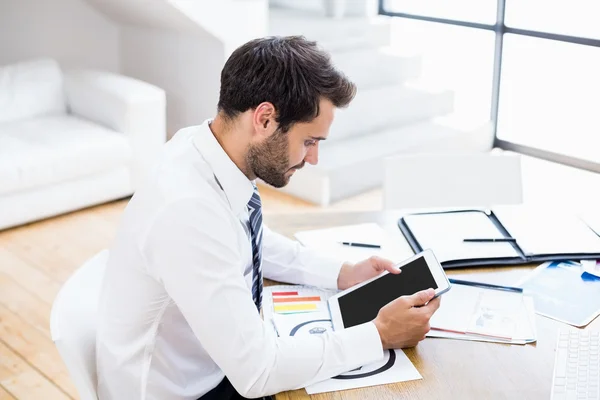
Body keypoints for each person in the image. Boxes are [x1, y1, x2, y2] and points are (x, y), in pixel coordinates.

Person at [96, 35, 441, 400]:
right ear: (264, 118)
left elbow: (245, 238)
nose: (313, 159)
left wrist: (342, 273)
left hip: (211, 368)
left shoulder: (201, 147)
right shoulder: (187, 211)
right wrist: (379, 334)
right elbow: (257, 372)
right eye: (310, 141)